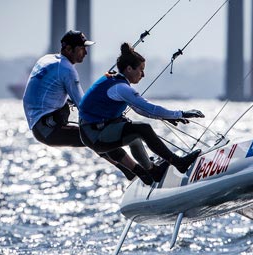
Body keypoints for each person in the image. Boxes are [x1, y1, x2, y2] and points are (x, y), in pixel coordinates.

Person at [78, 42, 205, 184]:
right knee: (142, 129)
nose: (143, 75)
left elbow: (139, 109)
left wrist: (166, 117)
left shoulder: (115, 82)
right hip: (95, 135)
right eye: (141, 70)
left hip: (91, 133)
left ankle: (152, 172)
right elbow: (148, 108)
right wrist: (180, 113)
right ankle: (178, 163)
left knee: (134, 133)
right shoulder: (121, 88)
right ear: (129, 69)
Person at [22, 30, 140, 180]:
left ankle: (130, 171)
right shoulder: (67, 70)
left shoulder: (47, 59)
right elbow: (85, 107)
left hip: (40, 125)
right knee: (98, 137)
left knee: (93, 138)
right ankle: (138, 171)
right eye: (81, 48)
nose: (85, 52)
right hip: (47, 129)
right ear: (68, 49)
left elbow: (50, 91)